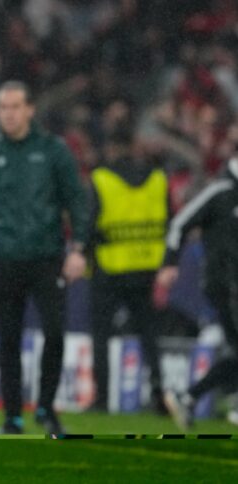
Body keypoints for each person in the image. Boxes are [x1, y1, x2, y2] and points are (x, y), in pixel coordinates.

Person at [0, 80, 88, 435]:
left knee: (54, 333)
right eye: (2, 108)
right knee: (8, 338)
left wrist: (79, 248)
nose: (8, 114)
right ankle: (12, 417)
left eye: (14, 107)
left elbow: (77, 201)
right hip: (5, 258)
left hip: (47, 257)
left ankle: (46, 408)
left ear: (29, 110)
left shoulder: (54, 151)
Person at [86, 129, 169, 414]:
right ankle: (159, 395)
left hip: (110, 267)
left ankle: (101, 398)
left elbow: (89, 224)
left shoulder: (101, 178)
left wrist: (85, 254)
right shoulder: (158, 179)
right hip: (146, 267)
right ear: (134, 146)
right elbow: (169, 220)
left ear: (110, 147)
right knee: (148, 334)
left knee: (102, 335)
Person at [158, 150, 238, 431]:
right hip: (224, 284)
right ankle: (201, 397)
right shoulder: (220, 191)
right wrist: (169, 263)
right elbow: (180, 223)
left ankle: (191, 397)